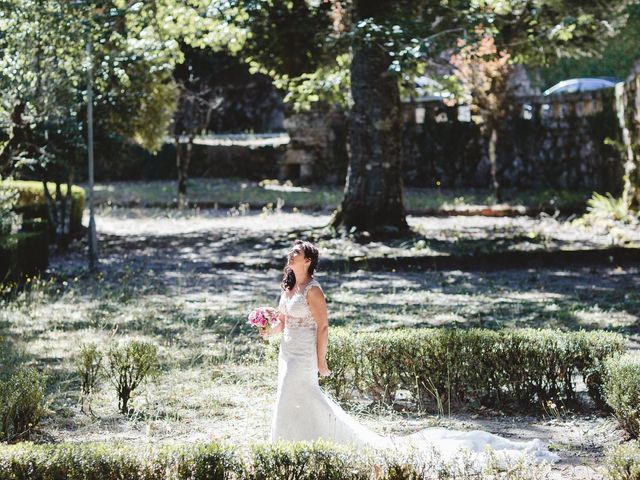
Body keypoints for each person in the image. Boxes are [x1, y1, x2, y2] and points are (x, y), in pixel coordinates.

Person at [259, 240, 559, 467]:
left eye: (295, 253)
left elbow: (323, 327)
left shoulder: (313, 290)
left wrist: (321, 362)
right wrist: (267, 329)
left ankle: (320, 442)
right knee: (287, 397)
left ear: (308, 259)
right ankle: (291, 444)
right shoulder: (288, 288)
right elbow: (283, 321)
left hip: (304, 356)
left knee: (304, 396)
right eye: (290, 253)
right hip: (287, 353)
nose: (290, 256)